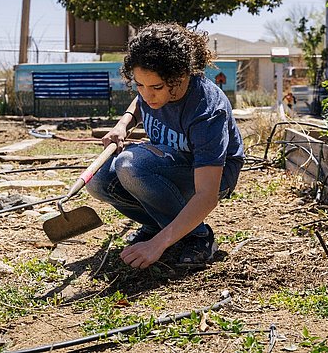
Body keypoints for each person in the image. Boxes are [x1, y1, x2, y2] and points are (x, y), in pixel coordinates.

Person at [86, 23, 244, 269]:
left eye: (156, 87)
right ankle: (156, 224)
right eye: (139, 85)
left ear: (179, 76)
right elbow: (140, 102)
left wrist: (157, 245)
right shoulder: (152, 90)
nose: (148, 95)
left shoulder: (207, 111)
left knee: (130, 166)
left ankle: (198, 237)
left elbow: (207, 195)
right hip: (171, 165)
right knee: (98, 180)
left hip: (213, 177)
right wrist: (122, 125)